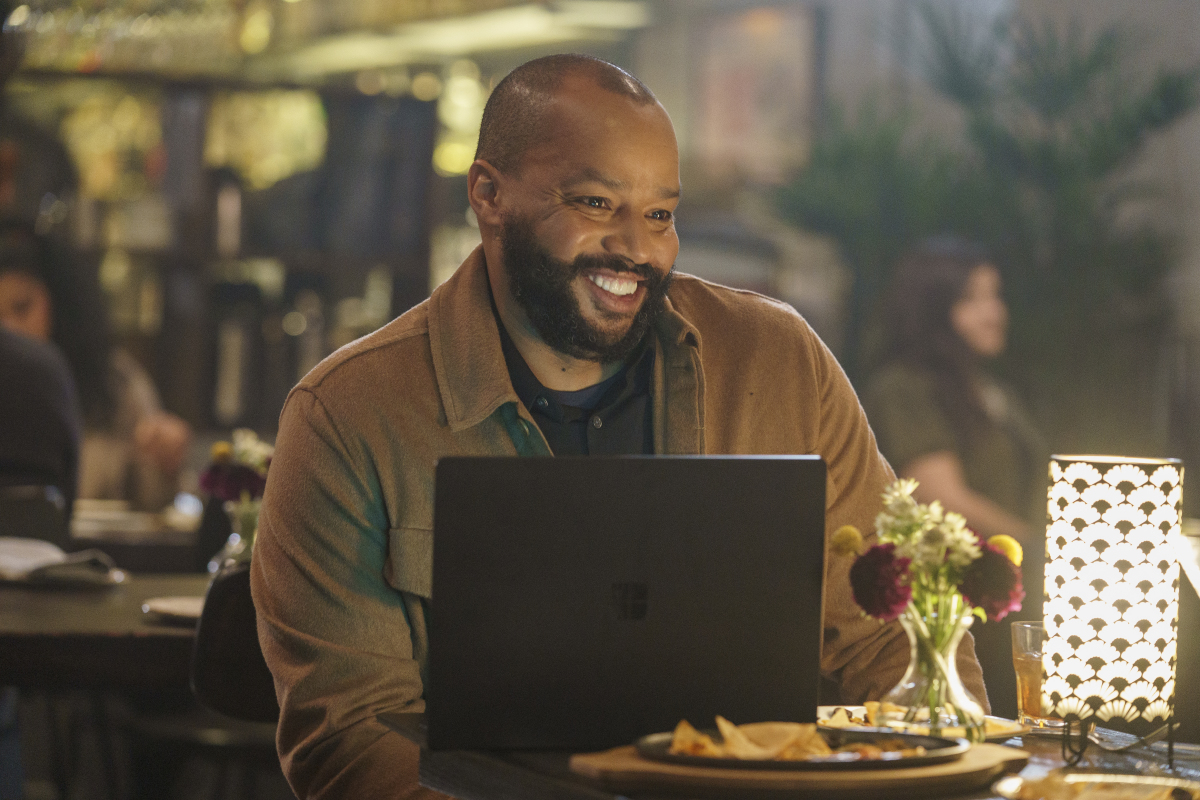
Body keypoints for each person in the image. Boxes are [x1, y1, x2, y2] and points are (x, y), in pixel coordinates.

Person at [251, 55, 989, 799]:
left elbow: (900, 638)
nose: (638, 248)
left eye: (661, 214)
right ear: (489, 194)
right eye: (597, 203)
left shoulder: (780, 363)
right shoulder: (348, 417)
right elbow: (353, 740)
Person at [862, 237, 1047, 718]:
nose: (994, 312)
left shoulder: (991, 390)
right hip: (955, 609)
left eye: (995, 295)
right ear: (932, 309)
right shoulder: (906, 386)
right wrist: (1041, 546)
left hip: (1006, 592)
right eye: (972, 299)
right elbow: (940, 493)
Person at [0, 225, 190, 511]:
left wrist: (164, 459)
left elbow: (156, 504)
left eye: (22, 307)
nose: (8, 328)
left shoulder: (113, 382)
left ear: (60, 305)